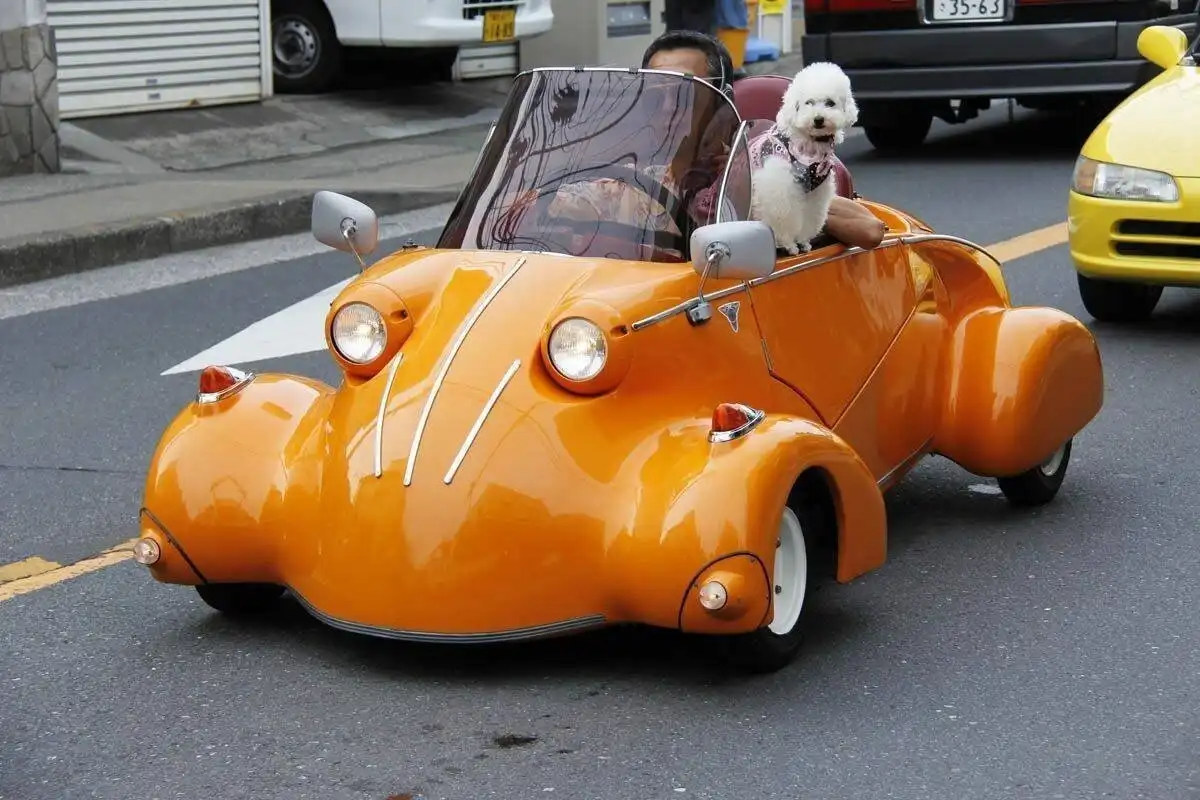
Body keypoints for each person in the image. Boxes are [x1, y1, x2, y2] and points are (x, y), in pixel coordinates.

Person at [641, 30, 885, 251]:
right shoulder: (633, 179)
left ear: (721, 101)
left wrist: (756, 187)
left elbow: (870, 231)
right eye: (655, 92)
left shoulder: (761, 164)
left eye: (683, 91)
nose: (668, 105)